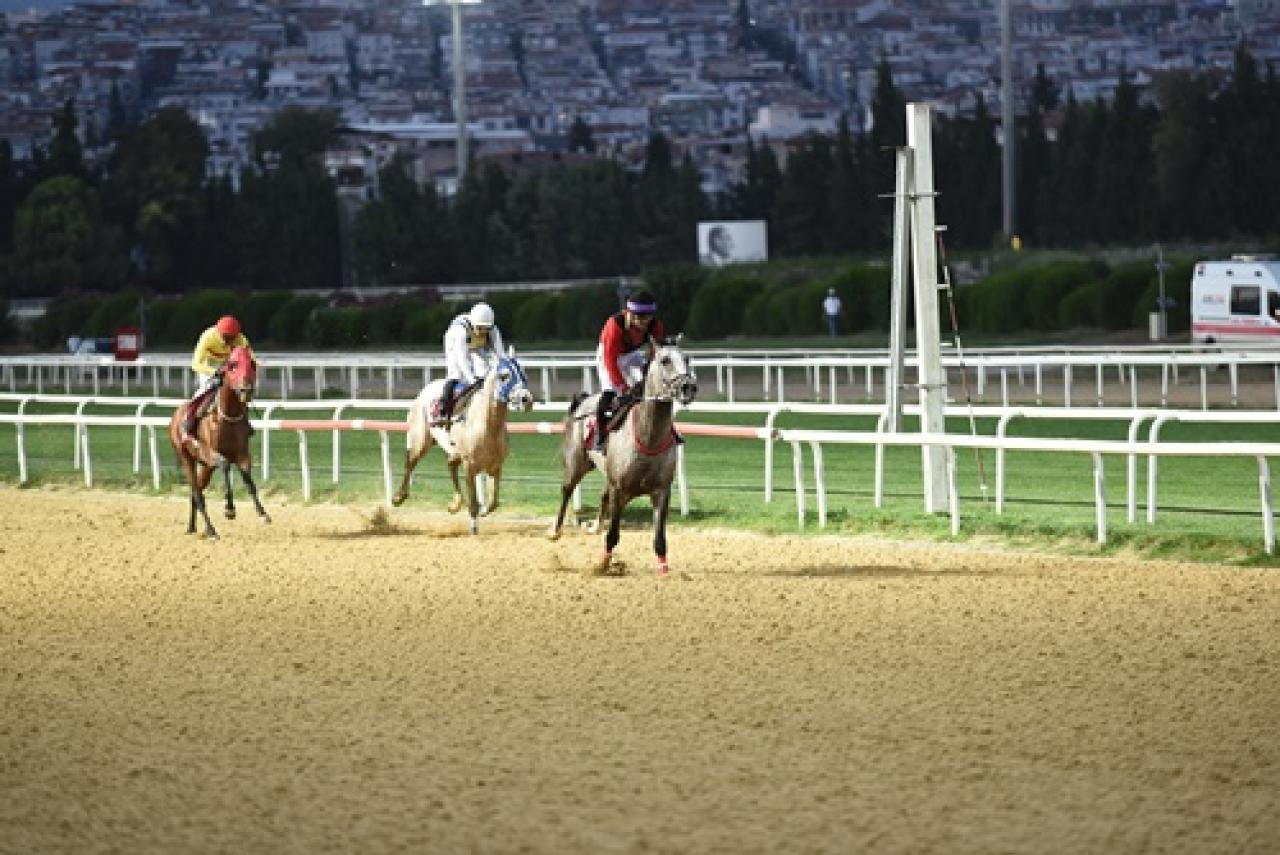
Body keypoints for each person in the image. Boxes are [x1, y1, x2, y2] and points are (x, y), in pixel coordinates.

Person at [593, 289, 666, 451]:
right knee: (610, 392)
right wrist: (622, 386)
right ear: (629, 313)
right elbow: (610, 360)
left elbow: (655, 354)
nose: (643, 322)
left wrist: (649, 374)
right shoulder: (614, 325)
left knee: (652, 385)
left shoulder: (656, 325)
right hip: (609, 356)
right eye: (638, 317)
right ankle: (600, 435)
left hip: (631, 354)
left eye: (647, 317)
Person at [181, 315, 255, 452]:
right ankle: (188, 425)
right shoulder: (208, 337)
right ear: (218, 332)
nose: (229, 340)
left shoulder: (241, 339)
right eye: (226, 337)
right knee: (205, 390)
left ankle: (245, 423)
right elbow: (196, 364)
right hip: (208, 367)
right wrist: (214, 372)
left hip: (229, 368)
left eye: (232, 337)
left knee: (241, 391)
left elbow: (251, 360)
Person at [433, 302, 506, 426]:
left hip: (476, 346)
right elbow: (462, 360)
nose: (482, 332)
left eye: (485, 329)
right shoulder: (460, 331)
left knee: (485, 372)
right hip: (454, 343)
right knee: (456, 374)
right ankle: (442, 411)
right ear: (473, 324)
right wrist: (472, 380)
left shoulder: (493, 329)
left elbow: (501, 355)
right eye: (479, 328)